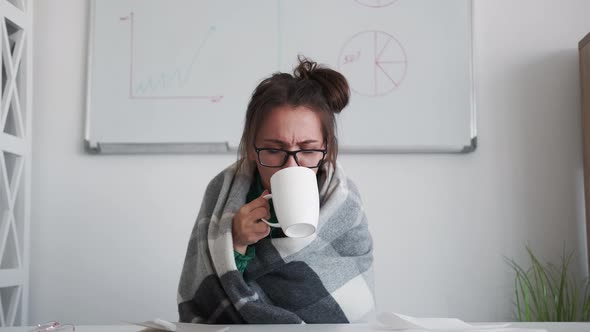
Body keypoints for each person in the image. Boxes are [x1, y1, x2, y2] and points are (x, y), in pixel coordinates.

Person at [177, 56, 374, 324]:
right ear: (251, 148)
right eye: (272, 150)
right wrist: (234, 244)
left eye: (307, 149)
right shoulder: (221, 193)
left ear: (326, 148)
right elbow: (206, 302)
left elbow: (353, 301)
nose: (290, 165)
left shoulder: (345, 202)